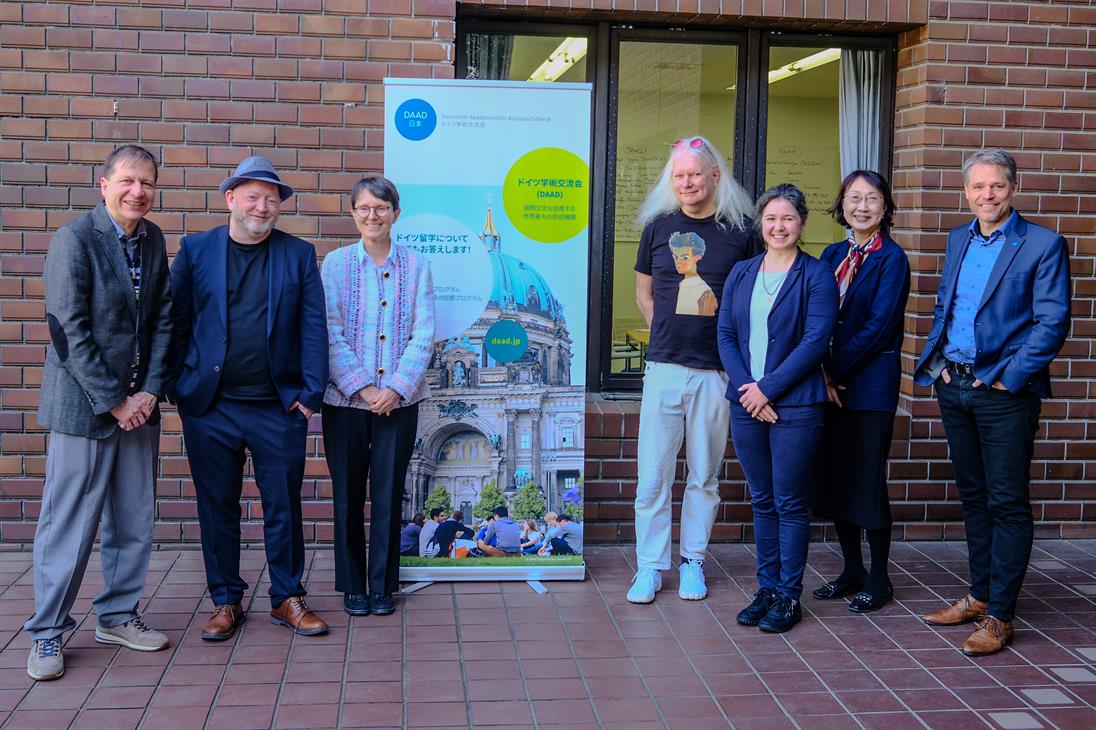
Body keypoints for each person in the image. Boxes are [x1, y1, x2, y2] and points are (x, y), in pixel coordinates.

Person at [914, 149, 1070, 656]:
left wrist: (1007, 378)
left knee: (1006, 502)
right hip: (953, 384)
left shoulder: (1042, 244)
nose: (987, 195)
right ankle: (979, 595)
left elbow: (1052, 322)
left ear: (1014, 188)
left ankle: (1002, 614)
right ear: (966, 192)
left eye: (997, 186)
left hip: (1002, 392)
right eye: (978, 187)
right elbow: (948, 303)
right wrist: (938, 363)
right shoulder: (959, 238)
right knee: (974, 496)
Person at [25, 145, 173, 681]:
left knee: (133, 519)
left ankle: (116, 615)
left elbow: (162, 320)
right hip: (84, 409)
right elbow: (67, 329)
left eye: (148, 183)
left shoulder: (152, 240)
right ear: (103, 184)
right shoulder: (75, 239)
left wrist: (150, 392)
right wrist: (115, 400)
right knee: (69, 524)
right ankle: (46, 633)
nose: (139, 192)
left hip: (140, 409)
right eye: (129, 181)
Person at [169, 156, 329, 640]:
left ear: (280, 207)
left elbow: (314, 326)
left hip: (277, 406)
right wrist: (178, 384)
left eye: (272, 198)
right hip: (211, 406)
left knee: (283, 505)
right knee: (218, 506)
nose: (263, 206)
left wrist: (310, 393)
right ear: (231, 199)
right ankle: (226, 600)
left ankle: (286, 597)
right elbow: (174, 322)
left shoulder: (298, 255)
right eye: (253, 196)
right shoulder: (195, 251)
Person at [629, 135, 759, 604]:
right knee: (653, 476)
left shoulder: (742, 231)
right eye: (679, 175)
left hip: (716, 373)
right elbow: (644, 293)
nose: (686, 182)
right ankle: (649, 567)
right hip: (664, 366)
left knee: (704, 475)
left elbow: (751, 303)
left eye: (694, 174)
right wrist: (664, 329)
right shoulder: (657, 227)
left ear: (714, 176)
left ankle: (692, 563)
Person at [717, 183, 838, 633]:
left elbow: (815, 342)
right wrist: (749, 389)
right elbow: (726, 335)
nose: (779, 226)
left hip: (797, 406)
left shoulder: (817, 274)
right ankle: (766, 589)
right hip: (746, 403)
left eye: (788, 218)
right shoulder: (742, 272)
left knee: (790, 502)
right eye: (771, 218)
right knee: (763, 501)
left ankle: (789, 596)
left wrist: (767, 390)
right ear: (760, 223)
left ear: (801, 223)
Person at [321, 175, 435, 617]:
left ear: (395, 214)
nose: (373, 216)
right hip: (345, 402)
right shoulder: (335, 264)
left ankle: (384, 583)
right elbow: (328, 332)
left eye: (381, 209)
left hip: (399, 403)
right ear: (353, 213)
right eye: (365, 208)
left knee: (389, 492)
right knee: (347, 493)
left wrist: (395, 390)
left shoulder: (417, 266)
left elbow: (423, 334)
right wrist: (364, 389)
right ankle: (353, 585)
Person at [812, 171, 911, 613]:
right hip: (830, 386)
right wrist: (820, 373)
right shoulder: (831, 254)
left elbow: (878, 328)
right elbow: (813, 317)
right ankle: (851, 570)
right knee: (838, 477)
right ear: (842, 204)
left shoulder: (892, 259)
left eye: (872, 199)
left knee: (868, 480)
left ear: (886, 207)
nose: (862, 206)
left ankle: (880, 577)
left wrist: (831, 370)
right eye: (854, 198)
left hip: (869, 387)